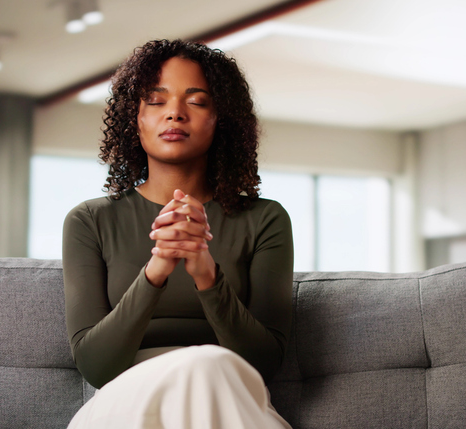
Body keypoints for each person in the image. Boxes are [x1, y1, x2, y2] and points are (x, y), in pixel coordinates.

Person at [62, 39, 294, 429]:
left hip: (228, 396)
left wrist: (206, 273)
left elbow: (264, 364)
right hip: (127, 400)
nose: (175, 113)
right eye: (156, 101)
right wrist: (157, 270)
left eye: (197, 101)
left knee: (206, 365)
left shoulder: (264, 219)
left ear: (220, 119)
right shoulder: (90, 220)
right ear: (135, 118)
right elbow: (96, 367)